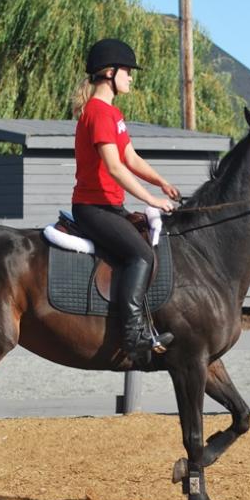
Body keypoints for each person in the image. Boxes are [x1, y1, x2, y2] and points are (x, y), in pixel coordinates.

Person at [70, 38, 179, 361]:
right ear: (110, 72)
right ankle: (133, 334)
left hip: (111, 206)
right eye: (127, 71)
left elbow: (130, 158)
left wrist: (161, 182)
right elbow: (114, 167)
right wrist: (152, 199)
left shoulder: (112, 113)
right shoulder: (97, 113)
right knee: (141, 255)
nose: (131, 77)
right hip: (92, 208)